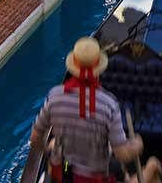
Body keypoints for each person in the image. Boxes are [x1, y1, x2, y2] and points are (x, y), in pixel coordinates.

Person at [30, 37, 144, 183]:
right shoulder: (109, 104)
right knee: (153, 165)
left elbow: (35, 137)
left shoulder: (54, 96)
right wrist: (137, 145)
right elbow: (122, 154)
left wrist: (47, 149)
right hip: (94, 178)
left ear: (73, 66)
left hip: (64, 172)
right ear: (98, 69)